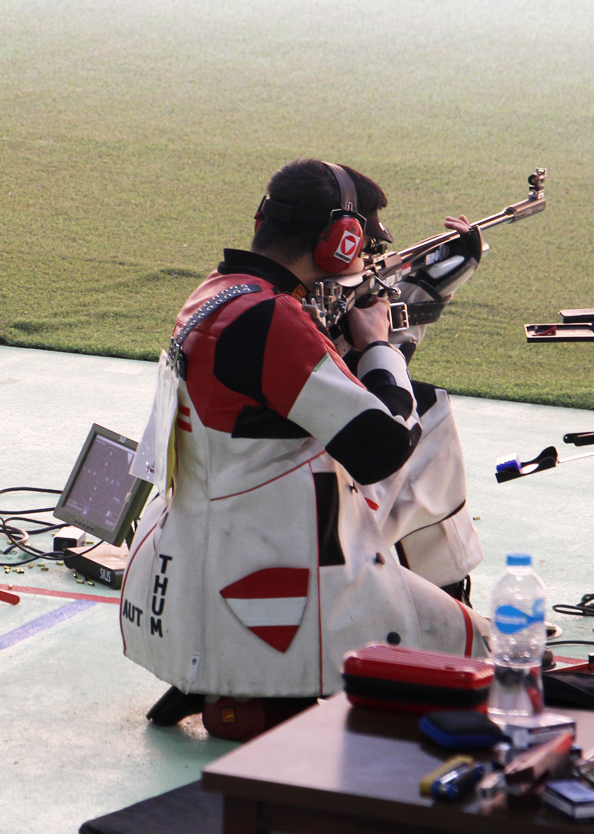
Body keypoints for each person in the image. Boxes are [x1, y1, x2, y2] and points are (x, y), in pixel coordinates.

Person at [121, 159, 489, 738]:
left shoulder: (219, 296)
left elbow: (319, 388)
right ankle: (448, 597)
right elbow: (382, 447)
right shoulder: (273, 320)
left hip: (204, 562)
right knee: (485, 654)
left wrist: (393, 326)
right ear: (340, 241)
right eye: (362, 239)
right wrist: (380, 346)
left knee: (416, 406)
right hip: (276, 589)